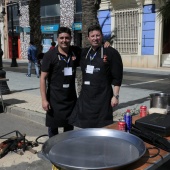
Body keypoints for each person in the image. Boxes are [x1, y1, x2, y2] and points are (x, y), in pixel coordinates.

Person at [69, 25, 123, 128]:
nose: (95, 38)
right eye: (92, 36)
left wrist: (115, 96)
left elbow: (117, 78)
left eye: (97, 35)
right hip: (86, 98)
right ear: (88, 38)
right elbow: (67, 50)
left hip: (103, 97)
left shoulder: (111, 52)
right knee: (85, 126)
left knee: (103, 127)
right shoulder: (83, 53)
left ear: (102, 36)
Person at [40, 27, 81, 138]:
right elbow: (42, 78)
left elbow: (91, 50)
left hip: (70, 100)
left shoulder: (75, 52)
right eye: (61, 38)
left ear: (71, 38)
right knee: (53, 130)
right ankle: (53, 151)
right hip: (54, 100)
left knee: (69, 129)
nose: (64, 40)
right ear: (57, 39)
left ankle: (67, 150)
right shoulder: (50, 55)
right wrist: (44, 100)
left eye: (67, 38)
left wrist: (104, 45)